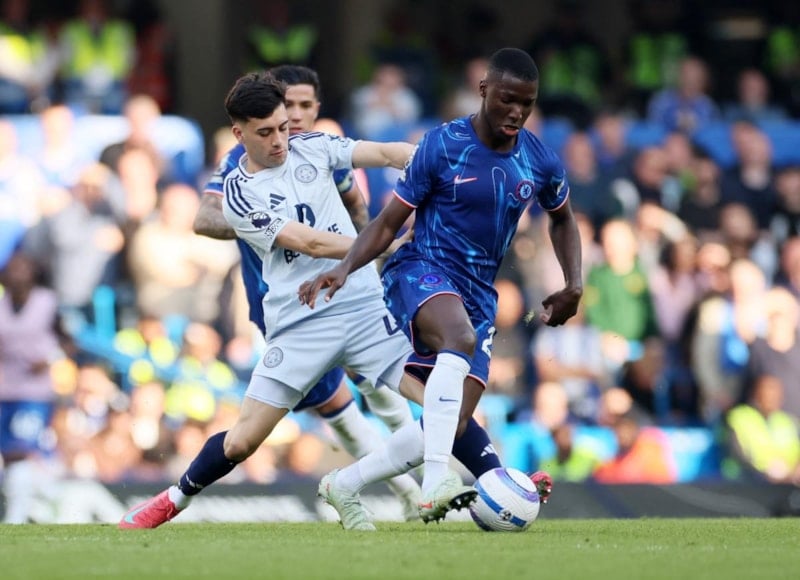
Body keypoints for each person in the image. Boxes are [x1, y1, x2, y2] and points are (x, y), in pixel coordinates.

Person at [119, 70, 422, 531]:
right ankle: (172, 499)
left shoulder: (315, 146)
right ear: (239, 134)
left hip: (360, 307)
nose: (281, 139)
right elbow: (309, 242)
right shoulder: (238, 191)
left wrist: (431, 158)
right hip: (300, 323)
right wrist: (383, 244)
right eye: (266, 132)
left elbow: (383, 154)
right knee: (243, 442)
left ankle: (466, 485)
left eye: (285, 124)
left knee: (443, 404)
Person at [300, 47, 581, 525]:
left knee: (452, 421)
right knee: (458, 338)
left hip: (478, 295)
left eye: (527, 103)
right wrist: (346, 266)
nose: (516, 112)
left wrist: (574, 283)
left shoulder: (539, 159)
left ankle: (344, 484)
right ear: (483, 90)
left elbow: (563, 218)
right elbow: (389, 221)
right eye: (508, 99)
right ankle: (436, 484)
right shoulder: (442, 145)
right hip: (419, 269)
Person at [0, 251, 70, 523]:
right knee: (8, 453)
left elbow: (69, 341)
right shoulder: (2, 305)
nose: (16, 274)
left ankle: (18, 514)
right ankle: (45, 496)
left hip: (35, 392)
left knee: (21, 449)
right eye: (12, 269)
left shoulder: (47, 303)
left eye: (22, 268)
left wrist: (49, 358)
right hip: (5, 390)